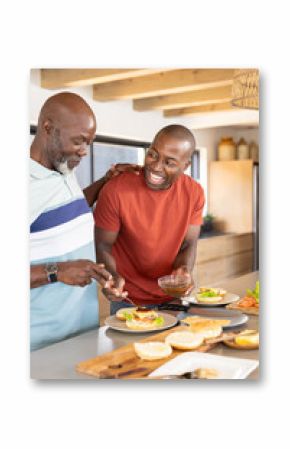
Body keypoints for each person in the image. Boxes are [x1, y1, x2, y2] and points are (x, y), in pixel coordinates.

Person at [30, 92, 139, 350]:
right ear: (48, 128)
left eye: (89, 143)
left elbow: (66, 210)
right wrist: (58, 271)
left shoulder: (63, 168)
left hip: (82, 334)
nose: (84, 151)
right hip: (39, 346)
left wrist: (105, 182)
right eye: (79, 141)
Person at [94, 124, 205, 314]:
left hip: (173, 298)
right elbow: (103, 245)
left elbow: (189, 243)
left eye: (169, 163)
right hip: (128, 300)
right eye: (153, 154)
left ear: (185, 166)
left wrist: (183, 269)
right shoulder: (116, 189)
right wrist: (112, 278)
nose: (155, 167)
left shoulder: (194, 192)